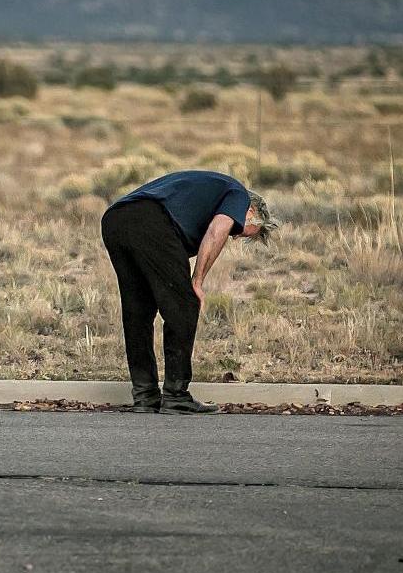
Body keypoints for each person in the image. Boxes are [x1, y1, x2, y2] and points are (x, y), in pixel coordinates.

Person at [100, 170, 277, 415]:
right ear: (251, 212)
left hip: (115, 220)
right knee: (184, 305)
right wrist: (197, 281)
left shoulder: (206, 196)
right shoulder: (238, 194)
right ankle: (176, 395)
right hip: (149, 220)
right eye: (242, 231)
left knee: (138, 311)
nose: (235, 236)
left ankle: (145, 396)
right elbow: (217, 230)